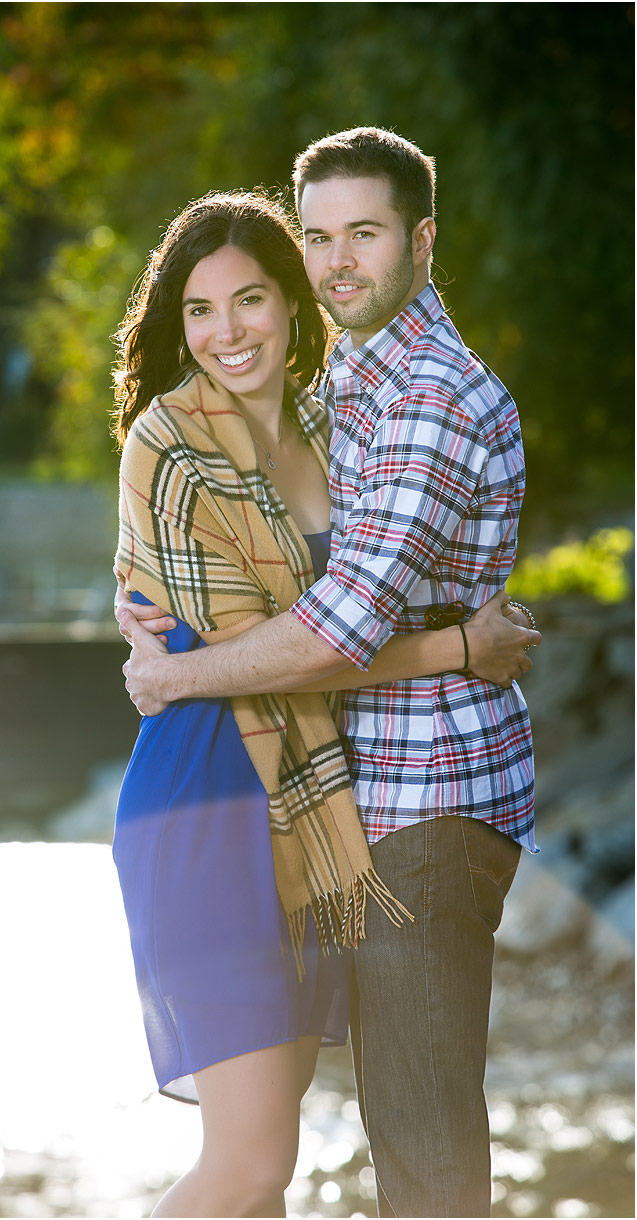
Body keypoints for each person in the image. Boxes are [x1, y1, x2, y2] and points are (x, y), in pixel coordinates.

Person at [119, 130, 540, 1218]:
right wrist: (459, 640)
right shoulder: (301, 393)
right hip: (242, 795)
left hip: (413, 797)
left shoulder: (415, 395)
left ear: (422, 239)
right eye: (319, 236)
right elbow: (259, 614)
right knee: (261, 1160)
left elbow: (330, 629)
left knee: (410, 1135)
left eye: (365, 233)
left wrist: (179, 668)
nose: (339, 260)